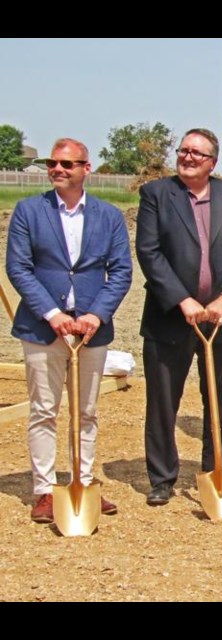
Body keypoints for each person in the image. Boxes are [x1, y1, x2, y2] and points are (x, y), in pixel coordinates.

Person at [5, 138, 132, 523]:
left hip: (91, 330)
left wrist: (96, 315)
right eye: (52, 163)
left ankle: (84, 480)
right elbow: (19, 268)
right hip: (43, 329)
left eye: (67, 164)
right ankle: (45, 490)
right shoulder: (29, 211)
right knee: (45, 410)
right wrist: (51, 313)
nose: (58, 169)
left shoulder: (109, 217)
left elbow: (121, 271)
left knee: (87, 411)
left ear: (85, 169)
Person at [135, 128, 222, 506]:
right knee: (162, 401)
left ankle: (218, 468)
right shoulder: (157, 194)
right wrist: (181, 300)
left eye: (197, 153)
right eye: (183, 150)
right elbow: (149, 252)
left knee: (221, 401)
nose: (187, 157)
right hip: (170, 319)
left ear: (212, 162)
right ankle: (162, 478)